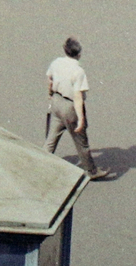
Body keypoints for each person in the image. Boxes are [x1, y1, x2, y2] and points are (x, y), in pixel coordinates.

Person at [44, 37, 109, 179]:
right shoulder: (78, 71)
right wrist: (81, 119)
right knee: (81, 142)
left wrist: (50, 94)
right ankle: (91, 171)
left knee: (51, 139)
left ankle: (41, 164)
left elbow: (50, 79)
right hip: (69, 108)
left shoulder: (56, 63)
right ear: (78, 54)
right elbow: (78, 96)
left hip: (56, 102)